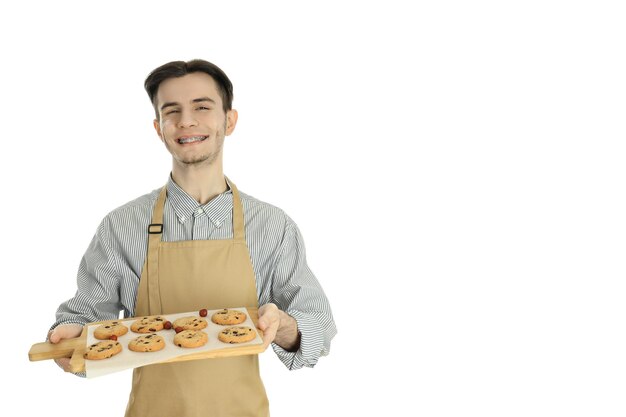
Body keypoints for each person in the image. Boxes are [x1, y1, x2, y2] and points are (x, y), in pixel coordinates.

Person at [47, 59, 337, 417]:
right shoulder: (121, 225)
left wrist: (283, 327)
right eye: (172, 111)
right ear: (159, 127)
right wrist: (68, 338)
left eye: (202, 106)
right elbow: (87, 316)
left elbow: (319, 327)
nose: (186, 120)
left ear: (229, 120)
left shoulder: (272, 226)